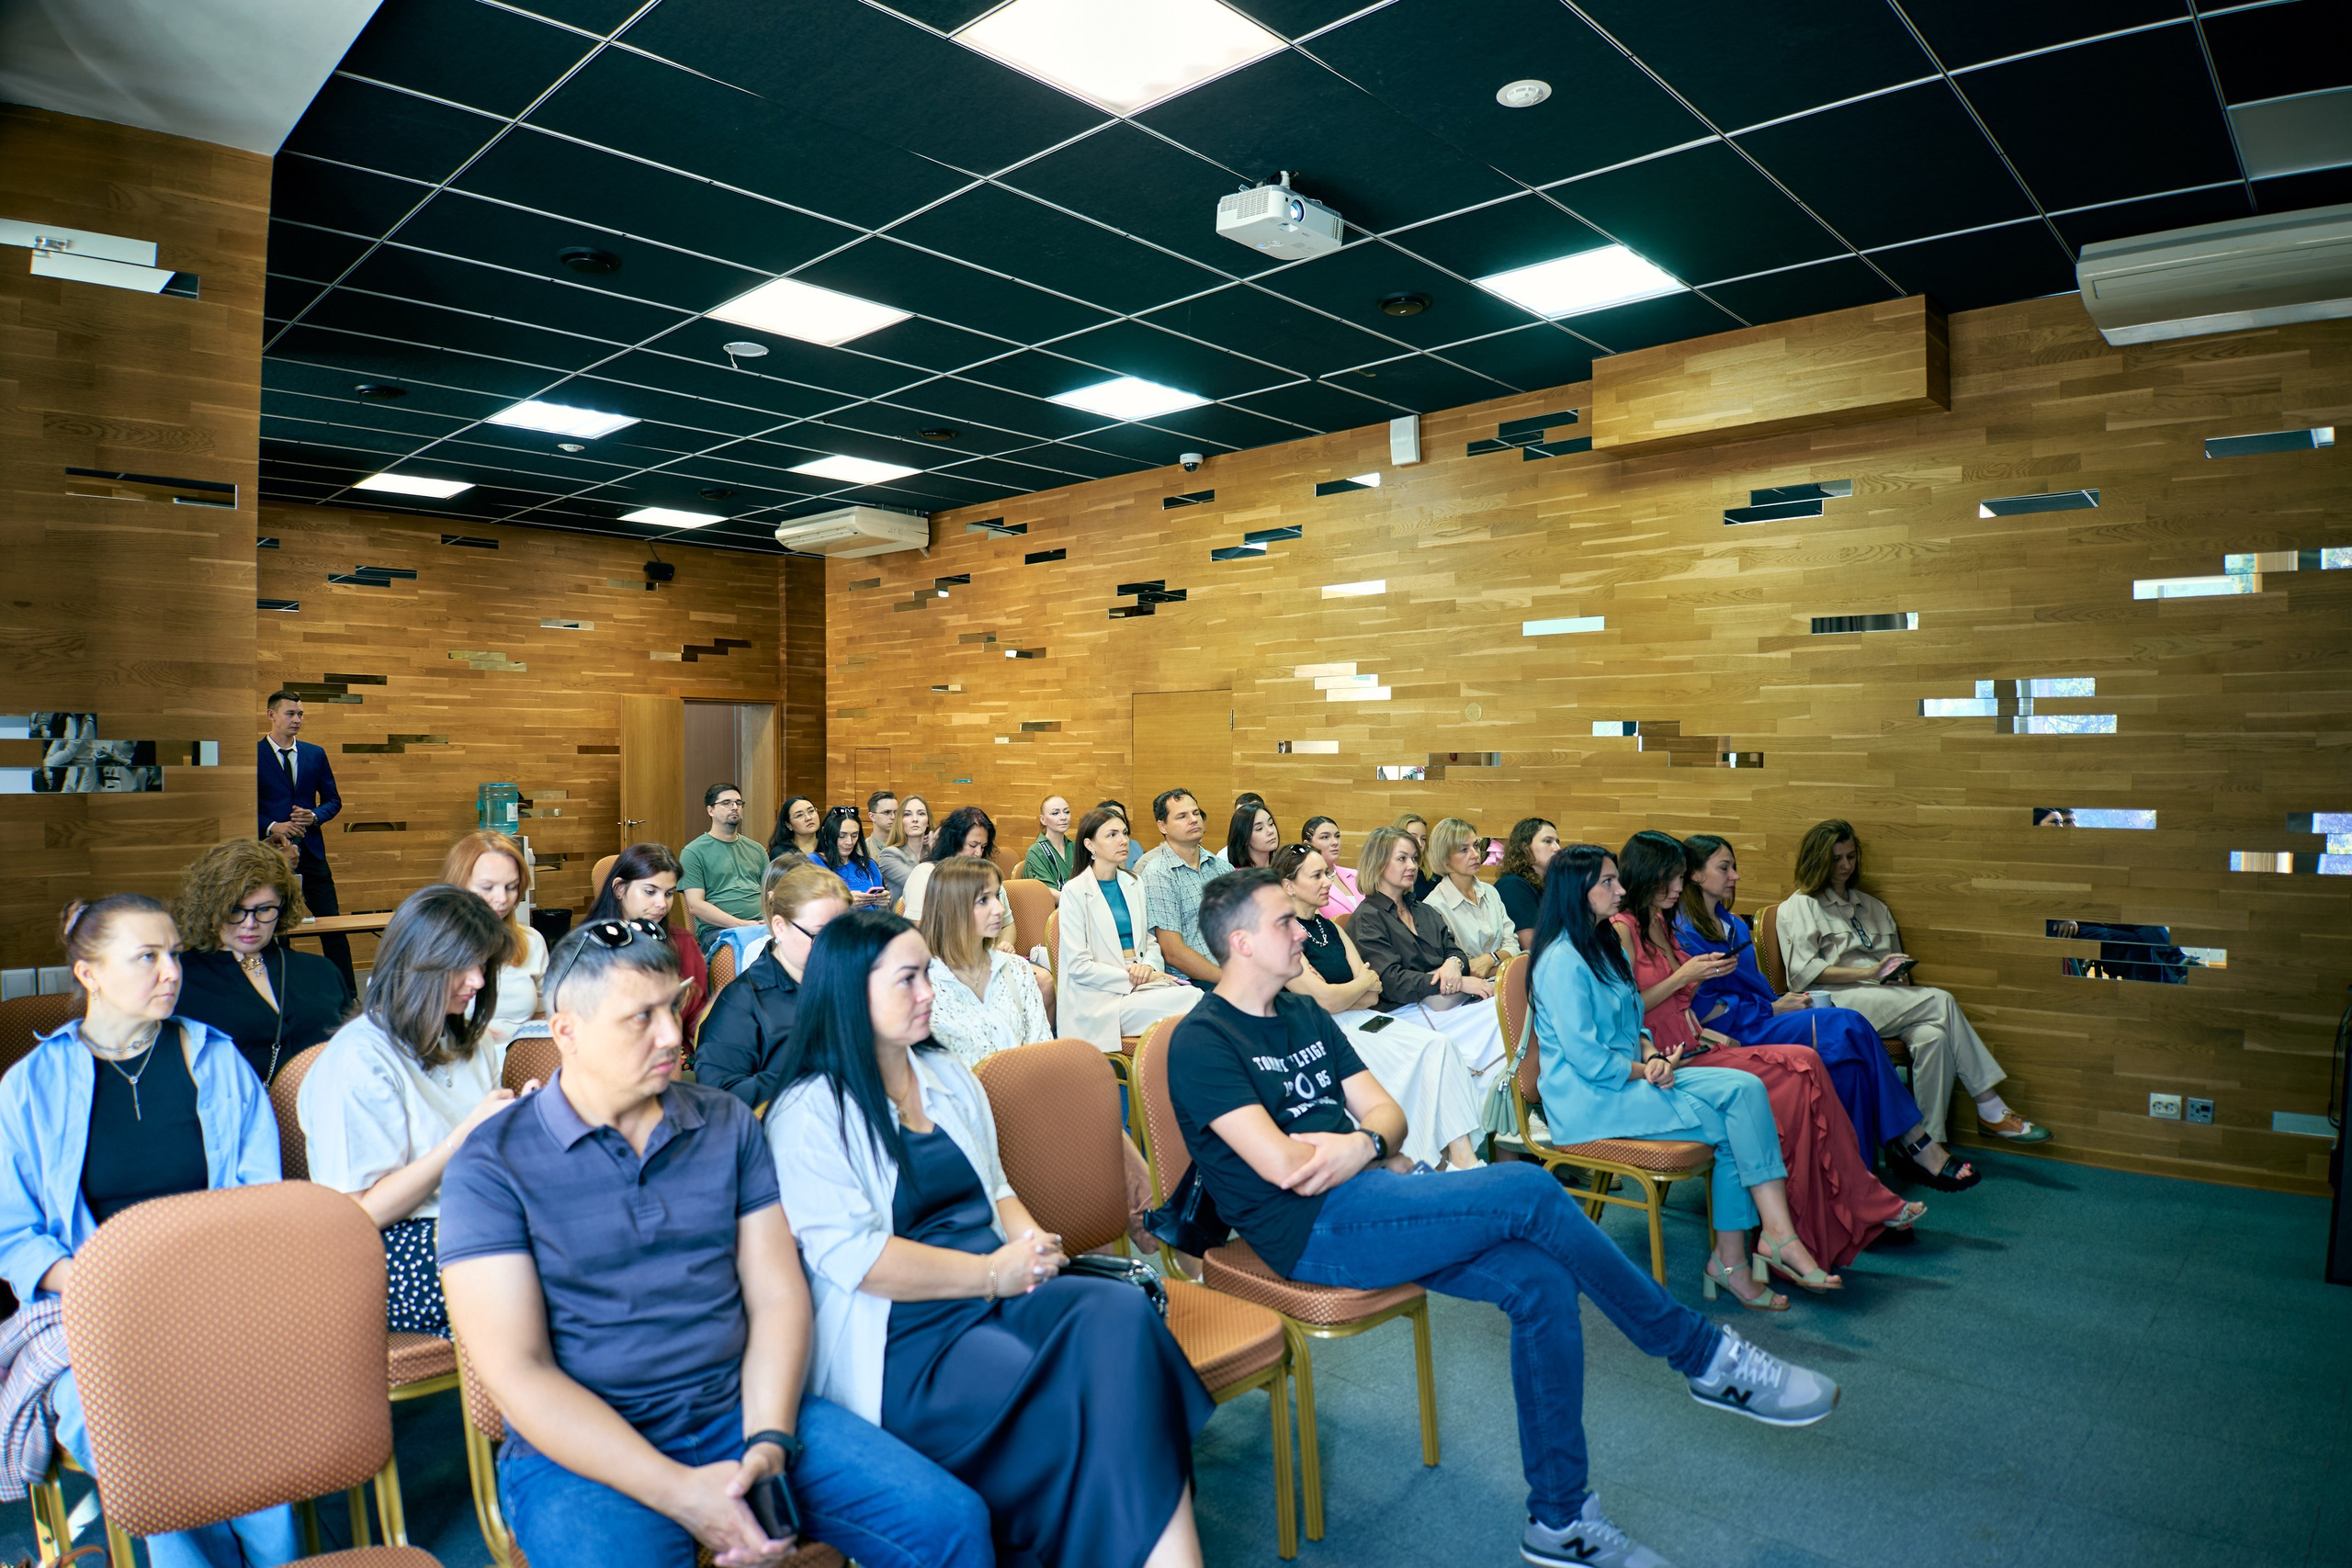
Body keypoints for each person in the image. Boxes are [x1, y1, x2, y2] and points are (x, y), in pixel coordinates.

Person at [1168, 869, 1838, 1568]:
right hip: (1306, 1234)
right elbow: (1283, 1167)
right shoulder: (1204, 1039)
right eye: (1285, 921)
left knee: (1542, 1283)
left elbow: (1388, 1117)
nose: (1304, 929)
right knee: (1528, 1189)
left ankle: (1559, 1520)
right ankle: (1703, 1356)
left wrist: (1363, 1145)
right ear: (1240, 942)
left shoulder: (1303, 1013)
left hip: (1369, 1197)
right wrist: (1361, 1146)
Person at [438, 919, 993, 1568]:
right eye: (639, 1018)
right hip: (583, 1451)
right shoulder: (492, 1164)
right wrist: (679, 1490)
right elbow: (518, 1373)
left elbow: (777, 1298)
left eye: (673, 1006)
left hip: (739, 1408)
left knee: (952, 1523)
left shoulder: (723, 1121)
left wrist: (767, 1441)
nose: (673, 1035)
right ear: (567, 1031)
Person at [767, 910, 1212, 1567]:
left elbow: (997, 1187)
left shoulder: (944, 1075)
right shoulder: (809, 1112)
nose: (930, 994)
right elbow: (860, 1262)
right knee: (1085, 1406)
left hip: (999, 1287)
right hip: (906, 1337)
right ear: (850, 992)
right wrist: (993, 1276)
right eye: (910, 979)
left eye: (930, 975)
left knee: (1119, 1316)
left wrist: (1033, 1244)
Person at [0, 895, 300, 1568]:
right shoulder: (28, 1089)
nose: (171, 971)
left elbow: (261, 1203)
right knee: (122, 1418)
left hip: (214, 1293)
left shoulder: (218, 1062)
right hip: (93, 1306)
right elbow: (11, 1232)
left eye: (173, 954)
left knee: (253, 1393)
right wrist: (95, 1282)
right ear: (89, 973)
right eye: (146, 956)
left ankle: (273, 1558)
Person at [1535, 844, 1851, 1309]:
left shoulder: (1603, 944)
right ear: (1575, 891)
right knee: (1733, 1122)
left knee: (1747, 1088)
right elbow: (1588, 1060)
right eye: (1607, 881)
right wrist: (1647, 1067)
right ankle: (1745, 1257)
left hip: (1628, 1078)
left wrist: (1650, 1054)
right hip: (1589, 1100)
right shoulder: (1561, 960)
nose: (1620, 889)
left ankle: (1763, 1244)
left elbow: (1633, 1022)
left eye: (1617, 879)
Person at [1609, 831, 1919, 1273]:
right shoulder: (1625, 929)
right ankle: (1823, 1215)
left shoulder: (1662, 921)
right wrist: (1689, 982)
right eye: (1673, 877)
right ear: (1648, 875)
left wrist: (1704, 1014)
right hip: (1673, 1058)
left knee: (1822, 1064)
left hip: (1699, 1041)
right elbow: (1626, 1011)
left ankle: (1851, 1205)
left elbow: (1681, 1010)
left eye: (1681, 877)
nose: (1679, 886)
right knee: (1806, 1067)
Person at [1674, 834, 1977, 1192]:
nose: (1735, 876)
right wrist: (1772, 1006)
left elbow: (1754, 986)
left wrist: (1781, 1003)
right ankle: (1915, 1140)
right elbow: (1704, 1010)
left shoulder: (1734, 924)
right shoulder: (1683, 932)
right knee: (1849, 1024)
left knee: (1850, 1069)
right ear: (1694, 874)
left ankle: (1861, 1188)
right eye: (1724, 868)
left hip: (1763, 1017)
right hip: (1737, 1032)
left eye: (1734, 867)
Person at [297, 885, 522, 1337]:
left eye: (482, 965)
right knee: (558, 1262)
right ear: (420, 964)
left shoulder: (465, 1039)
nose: (478, 981)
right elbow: (360, 1214)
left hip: (469, 1219)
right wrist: (463, 1140)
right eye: (464, 966)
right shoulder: (359, 1059)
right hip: (390, 1248)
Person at [1776, 820, 2049, 1147]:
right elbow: (1802, 973)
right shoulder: (1799, 906)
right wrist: (1871, 973)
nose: (1846, 866)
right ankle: (1990, 1106)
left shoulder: (1874, 907)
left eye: (1850, 856)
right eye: (1836, 859)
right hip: (1839, 1003)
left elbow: (1890, 960)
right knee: (1941, 1001)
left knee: (1933, 1037)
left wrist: (1894, 973)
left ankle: (1926, 1146)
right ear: (1817, 861)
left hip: (1888, 1000)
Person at [1272, 844, 1484, 1170]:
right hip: (1323, 1030)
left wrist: (1344, 991)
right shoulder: (1284, 934)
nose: (1329, 881)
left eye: (1327, 873)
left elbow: (1374, 992)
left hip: (1364, 1016)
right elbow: (1325, 1001)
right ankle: (1424, 1159)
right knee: (1420, 1053)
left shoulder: (1331, 929)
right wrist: (1355, 986)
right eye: (1317, 876)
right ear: (1289, 886)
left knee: (1438, 1045)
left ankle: (1461, 1156)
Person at [172, 837, 354, 1086]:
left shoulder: (321, 971)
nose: (250, 924)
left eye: (264, 909)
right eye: (235, 910)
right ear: (210, 909)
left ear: (282, 906)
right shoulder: (179, 979)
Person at [1346, 827, 1511, 1096]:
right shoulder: (1368, 918)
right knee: (1501, 1015)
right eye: (1402, 859)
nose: (1411, 865)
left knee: (1510, 1005)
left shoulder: (1423, 910)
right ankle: (1488, 1101)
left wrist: (1453, 967)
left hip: (1442, 1002)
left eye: (1414, 858)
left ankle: (1495, 1099)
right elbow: (1391, 981)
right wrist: (1453, 983)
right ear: (1378, 863)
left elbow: (1454, 951)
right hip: (1403, 1011)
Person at [696, 863, 851, 1111]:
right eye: (821, 935)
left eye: (843, 934)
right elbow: (720, 1095)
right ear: (780, 926)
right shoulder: (742, 1001)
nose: (835, 947)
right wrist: (810, 1067)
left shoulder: (852, 983)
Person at [1056, 807, 1200, 1052]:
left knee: (1197, 1003)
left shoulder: (1133, 882)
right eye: (1112, 835)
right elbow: (1078, 967)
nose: (1123, 840)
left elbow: (1149, 941)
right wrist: (1134, 976)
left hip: (1141, 985)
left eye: (1124, 833)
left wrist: (1149, 968)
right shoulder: (1074, 891)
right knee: (1195, 1001)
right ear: (1090, 845)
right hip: (1100, 998)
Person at [256, 689, 353, 991]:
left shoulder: (315, 754)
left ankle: (347, 994)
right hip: (270, 855)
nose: (297, 719)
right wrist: (273, 825)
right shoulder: (252, 754)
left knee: (332, 926)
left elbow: (333, 801)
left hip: (312, 853)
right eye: (290, 714)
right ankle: (280, 991)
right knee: (276, 927)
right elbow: (243, 804)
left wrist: (315, 816)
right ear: (272, 715)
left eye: (300, 714)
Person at [914, 858, 1049, 1070]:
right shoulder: (923, 982)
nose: (999, 909)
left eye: (997, 896)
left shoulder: (1015, 968)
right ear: (952, 907)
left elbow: (1042, 1048)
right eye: (983, 900)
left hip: (1024, 1094)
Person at [585, 842, 709, 1031]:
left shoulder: (682, 942)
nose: (662, 904)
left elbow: (700, 1021)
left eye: (669, 894)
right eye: (650, 892)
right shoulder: (588, 944)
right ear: (619, 889)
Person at [447, 829, 548, 1049]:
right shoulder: (433, 945)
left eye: (511, 887)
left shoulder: (531, 941)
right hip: (460, 1062)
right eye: (487, 888)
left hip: (519, 1061)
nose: (502, 899)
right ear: (458, 885)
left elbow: (544, 1014)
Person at [1138, 790, 1229, 985]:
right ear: (1162, 826)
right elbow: (1173, 953)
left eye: (1196, 813)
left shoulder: (1220, 867)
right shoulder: (1159, 873)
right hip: (1195, 982)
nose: (1193, 820)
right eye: (1182, 816)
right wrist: (1230, 980)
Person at [1422, 817, 1520, 976]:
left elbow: (1512, 944)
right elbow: (1462, 968)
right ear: (1445, 858)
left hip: (1504, 982)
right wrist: (1503, 965)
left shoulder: (1490, 892)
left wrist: (1490, 959)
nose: (1475, 854)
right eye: (1464, 850)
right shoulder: (1434, 906)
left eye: (1475, 846)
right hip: (1467, 994)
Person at [681, 784, 769, 953]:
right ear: (710, 810)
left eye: (738, 803)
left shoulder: (757, 849)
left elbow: (771, 893)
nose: (734, 807)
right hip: (717, 929)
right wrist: (743, 925)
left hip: (761, 923)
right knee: (748, 949)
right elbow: (695, 906)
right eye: (726, 803)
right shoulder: (693, 852)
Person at [1496, 817, 1559, 950]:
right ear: (1525, 848)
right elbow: (1531, 945)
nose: (1557, 848)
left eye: (1557, 842)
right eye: (1548, 841)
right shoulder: (1512, 886)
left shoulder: (1551, 885)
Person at [816, 806, 892, 909]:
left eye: (854, 835)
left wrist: (883, 902)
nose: (849, 842)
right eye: (842, 836)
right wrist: (845, 903)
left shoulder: (869, 865)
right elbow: (809, 906)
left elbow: (882, 914)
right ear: (825, 834)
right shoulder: (814, 862)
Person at [875, 795, 934, 904]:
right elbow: (922, 885)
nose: (915, 819)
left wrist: (937, 848)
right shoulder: (889, 855)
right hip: (904, 919)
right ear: (900, 821)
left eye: (921, 814)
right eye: (907, 814)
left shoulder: (934, 852)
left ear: (928, 821)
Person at [1301, 818, 1362, 919]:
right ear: (1307, 844)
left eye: (1337, 836)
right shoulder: (1305, 882)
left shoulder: (1356, 875)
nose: (1335, 842)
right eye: (1325, 837)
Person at [1019, 795, 1077, 891]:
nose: (1063, 817)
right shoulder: (1036, 852)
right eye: (1055, 813)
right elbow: (1048, 893)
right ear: (1043, 820)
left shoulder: (1075, 847)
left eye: (1066, 812)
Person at [1392, 812, 1440, 900]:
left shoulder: (1434, 876)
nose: (1419, 844)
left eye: (1423, 839)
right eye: (1413, 837)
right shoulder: (1389, 876)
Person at [1223, 803, 1280, 871]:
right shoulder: (1237, 878)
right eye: (1259, 828)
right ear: (1245, 838)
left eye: (1271, 824)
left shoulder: (1283, 871)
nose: (1270, 831)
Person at [767, 795, 822, 863]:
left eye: (811, 811)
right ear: (789, 825)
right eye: (799, 815)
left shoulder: (829, 845)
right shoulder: (782, 852)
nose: (808, 818)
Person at [1095, 799, 1144, 871]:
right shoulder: (1097, 849)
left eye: (1121, 817)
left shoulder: (1134, 846)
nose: (1118, 821)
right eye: (1112, 817)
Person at [866, 791, 899, 863]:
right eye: (887, 812)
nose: (893, 817)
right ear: (872, 816)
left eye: (896, 812)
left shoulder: (906, 845)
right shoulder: (863, 850)